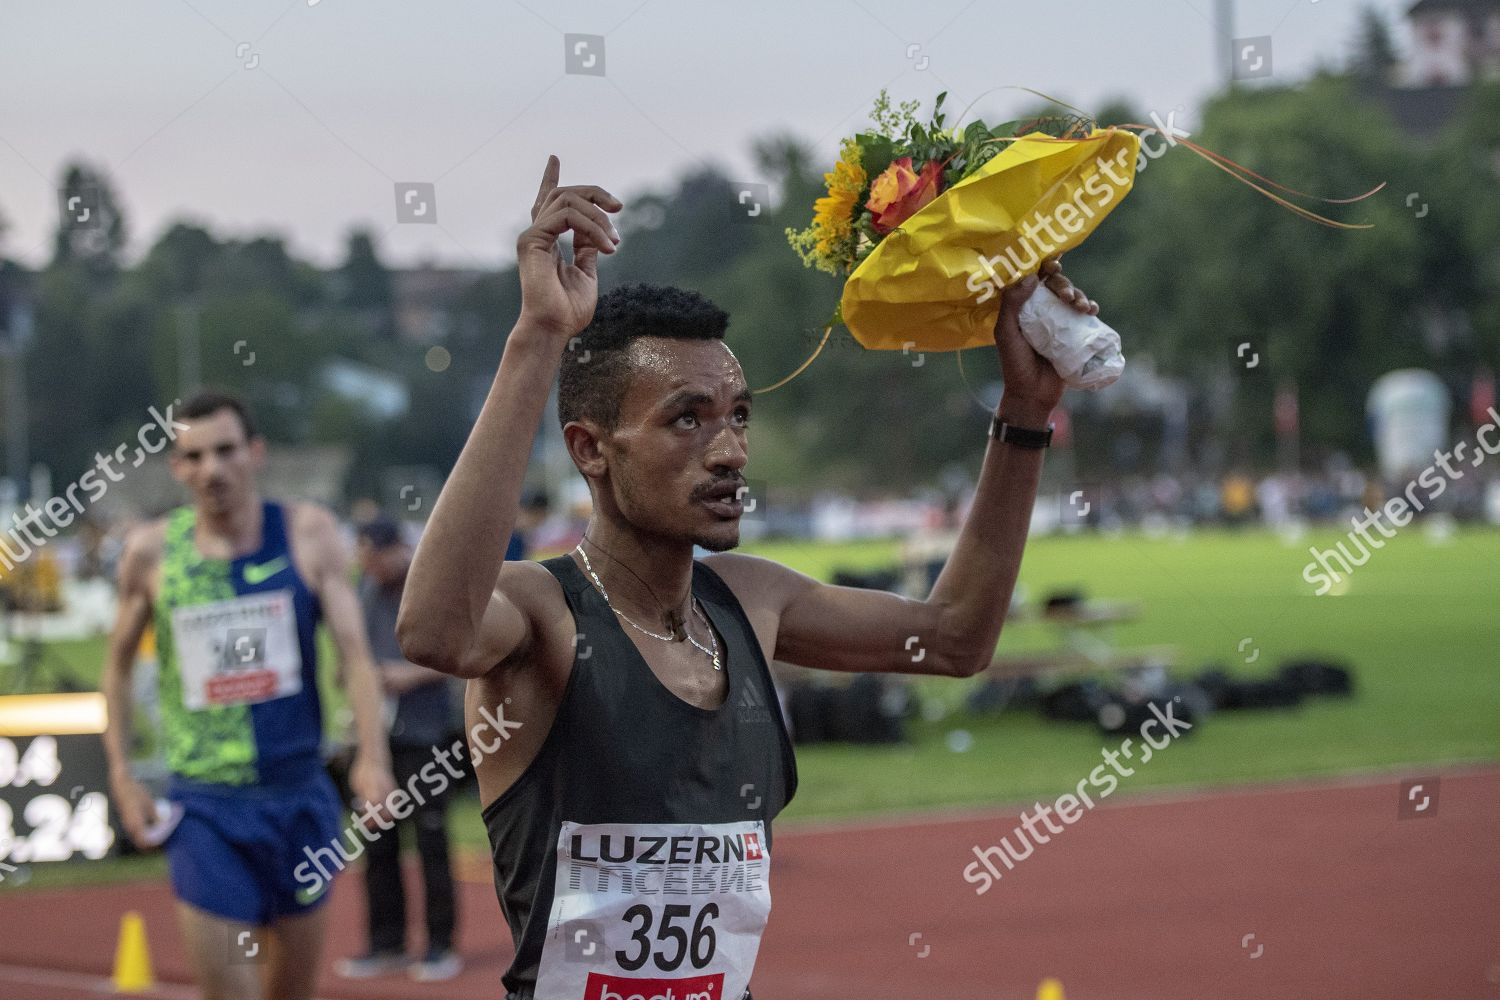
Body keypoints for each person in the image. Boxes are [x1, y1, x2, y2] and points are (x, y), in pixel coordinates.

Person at [396, 155, 1097, 1000]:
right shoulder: (543, 616)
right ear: (591, 451)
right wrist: (538, 335)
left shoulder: (754, 603)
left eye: (737, 416)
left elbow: (956, 638)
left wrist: (1024, 412)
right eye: (685, 420)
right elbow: (434, 630)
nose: (729, 450)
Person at [101, 389, 396, 1000]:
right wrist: (123, 774)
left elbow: (356, 657)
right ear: (177, 467)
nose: (213, 469)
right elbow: (117, 666)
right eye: (195, 456)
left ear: (255, 452)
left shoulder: (308, 535)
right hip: (206, 808)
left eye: (226, 450)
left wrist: (373, 757)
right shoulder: (153, 553)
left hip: (300, 797)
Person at [335, 516, 462, 982]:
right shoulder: (365, 591)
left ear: (395, 550)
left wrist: (407, 676)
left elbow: (460, 651)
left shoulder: (428, 583)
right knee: (376, 839)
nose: (371, 567)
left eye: (376, 557)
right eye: (364, 559)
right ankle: (386, 942)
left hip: (426, 732)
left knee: (430, 839)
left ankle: (440, 945)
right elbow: (352, 652)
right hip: (377, 734)